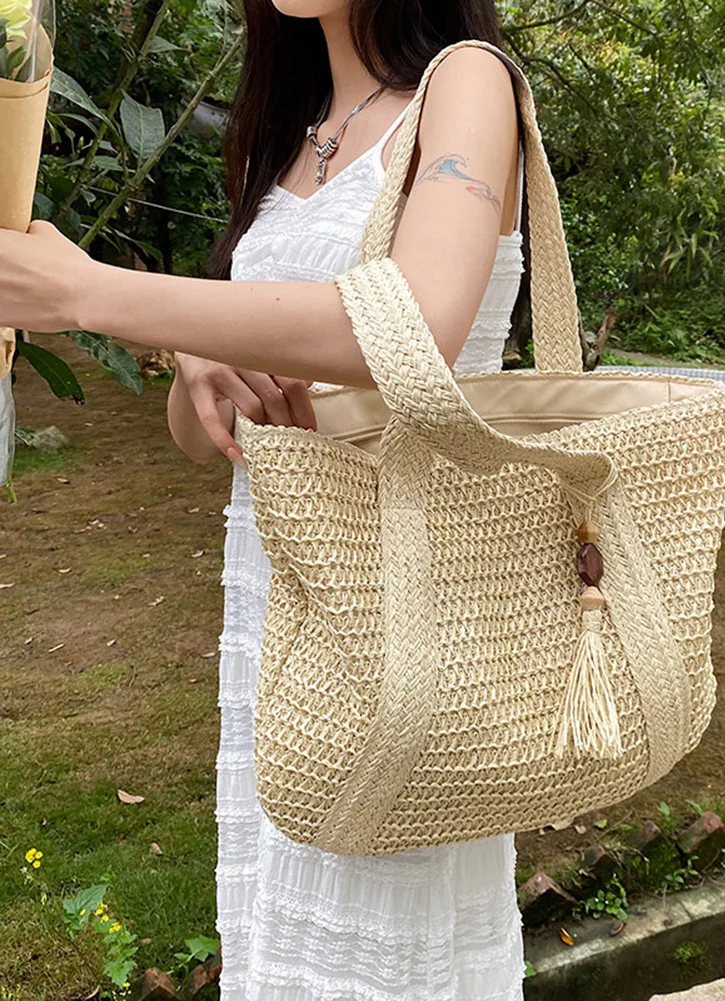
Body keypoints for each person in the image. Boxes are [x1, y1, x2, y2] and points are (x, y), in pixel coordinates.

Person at [0, 1, 529, 997]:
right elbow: (206, 435)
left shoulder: (465, 84)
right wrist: (196, 357)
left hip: (410, 618)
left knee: (391, 958)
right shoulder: (287, 132)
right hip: (278, 621)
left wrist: (89, 293)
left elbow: (415, 323)